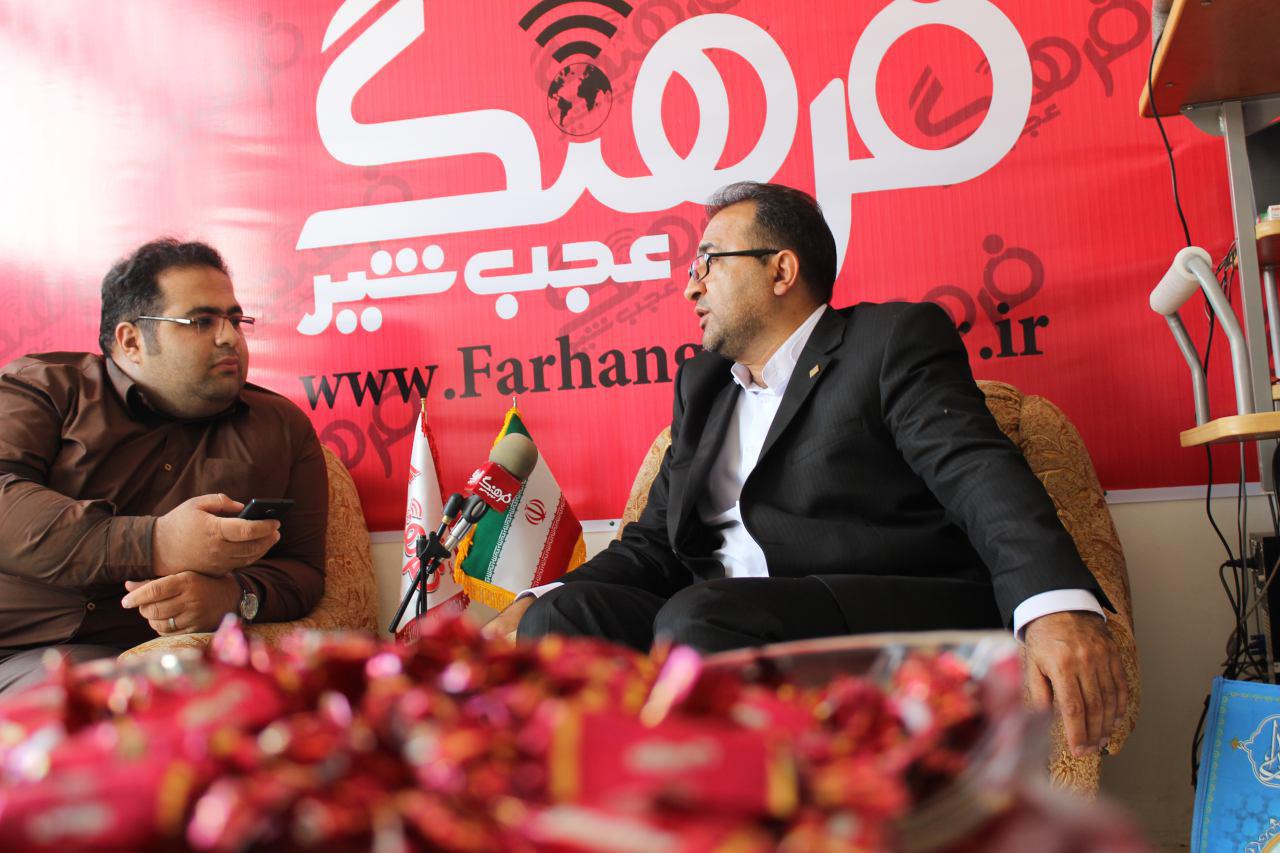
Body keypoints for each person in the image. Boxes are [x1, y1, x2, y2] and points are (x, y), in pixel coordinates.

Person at [485, 181, 1127, 758]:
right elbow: (653, 544)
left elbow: (975, 469)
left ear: (781, 270)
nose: (691, 287)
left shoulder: (888, 341)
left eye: (709, 262)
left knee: (700, 616)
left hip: (877, 604)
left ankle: (730, 821)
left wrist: (1053, 605)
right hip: (718, 616)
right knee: (561, 622)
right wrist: (538, 599)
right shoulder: (702, 386)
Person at [0, 239, 327, 694]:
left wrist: (233, 596)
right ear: (131, 340)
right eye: (201, 321)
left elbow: (303, 571)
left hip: (151, 662)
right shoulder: (44, 389)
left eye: (235, 320)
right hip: (15, 650)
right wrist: (156, 543)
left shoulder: (281, 426)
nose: (229, 338)